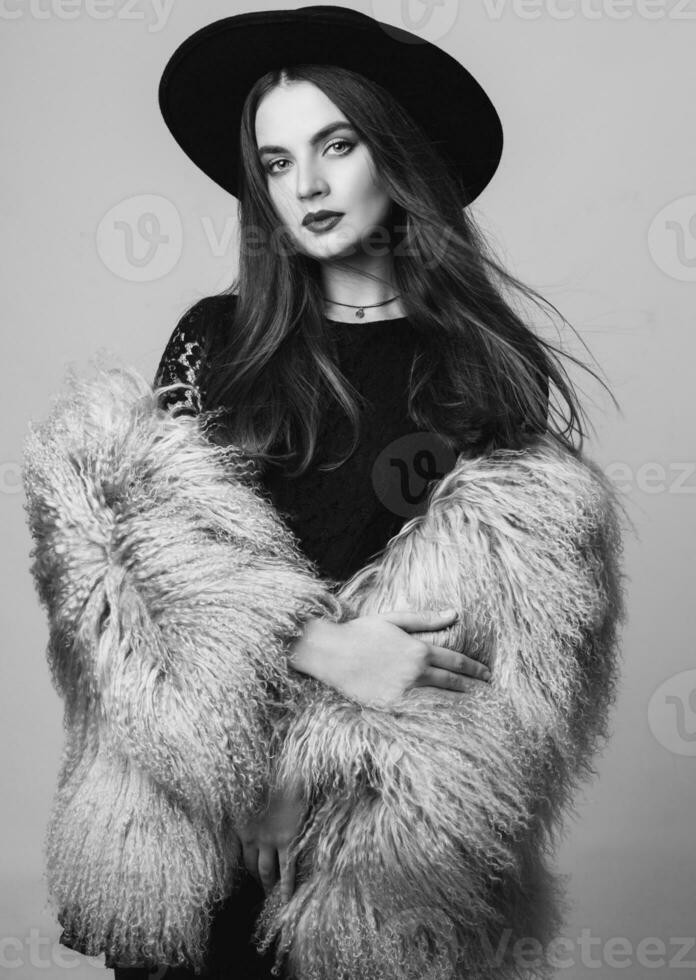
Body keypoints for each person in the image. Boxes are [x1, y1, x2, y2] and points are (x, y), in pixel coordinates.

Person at [22, 8, 624, 980]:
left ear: (391, 156)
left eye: (334, 144)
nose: (304, 184)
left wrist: (312, 774)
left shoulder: (476, 379)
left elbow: (490, 662)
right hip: (195, 824)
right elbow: (120, 574)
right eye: (274, 160)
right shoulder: (215, 345)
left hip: (367, 858)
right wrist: (315, 652)